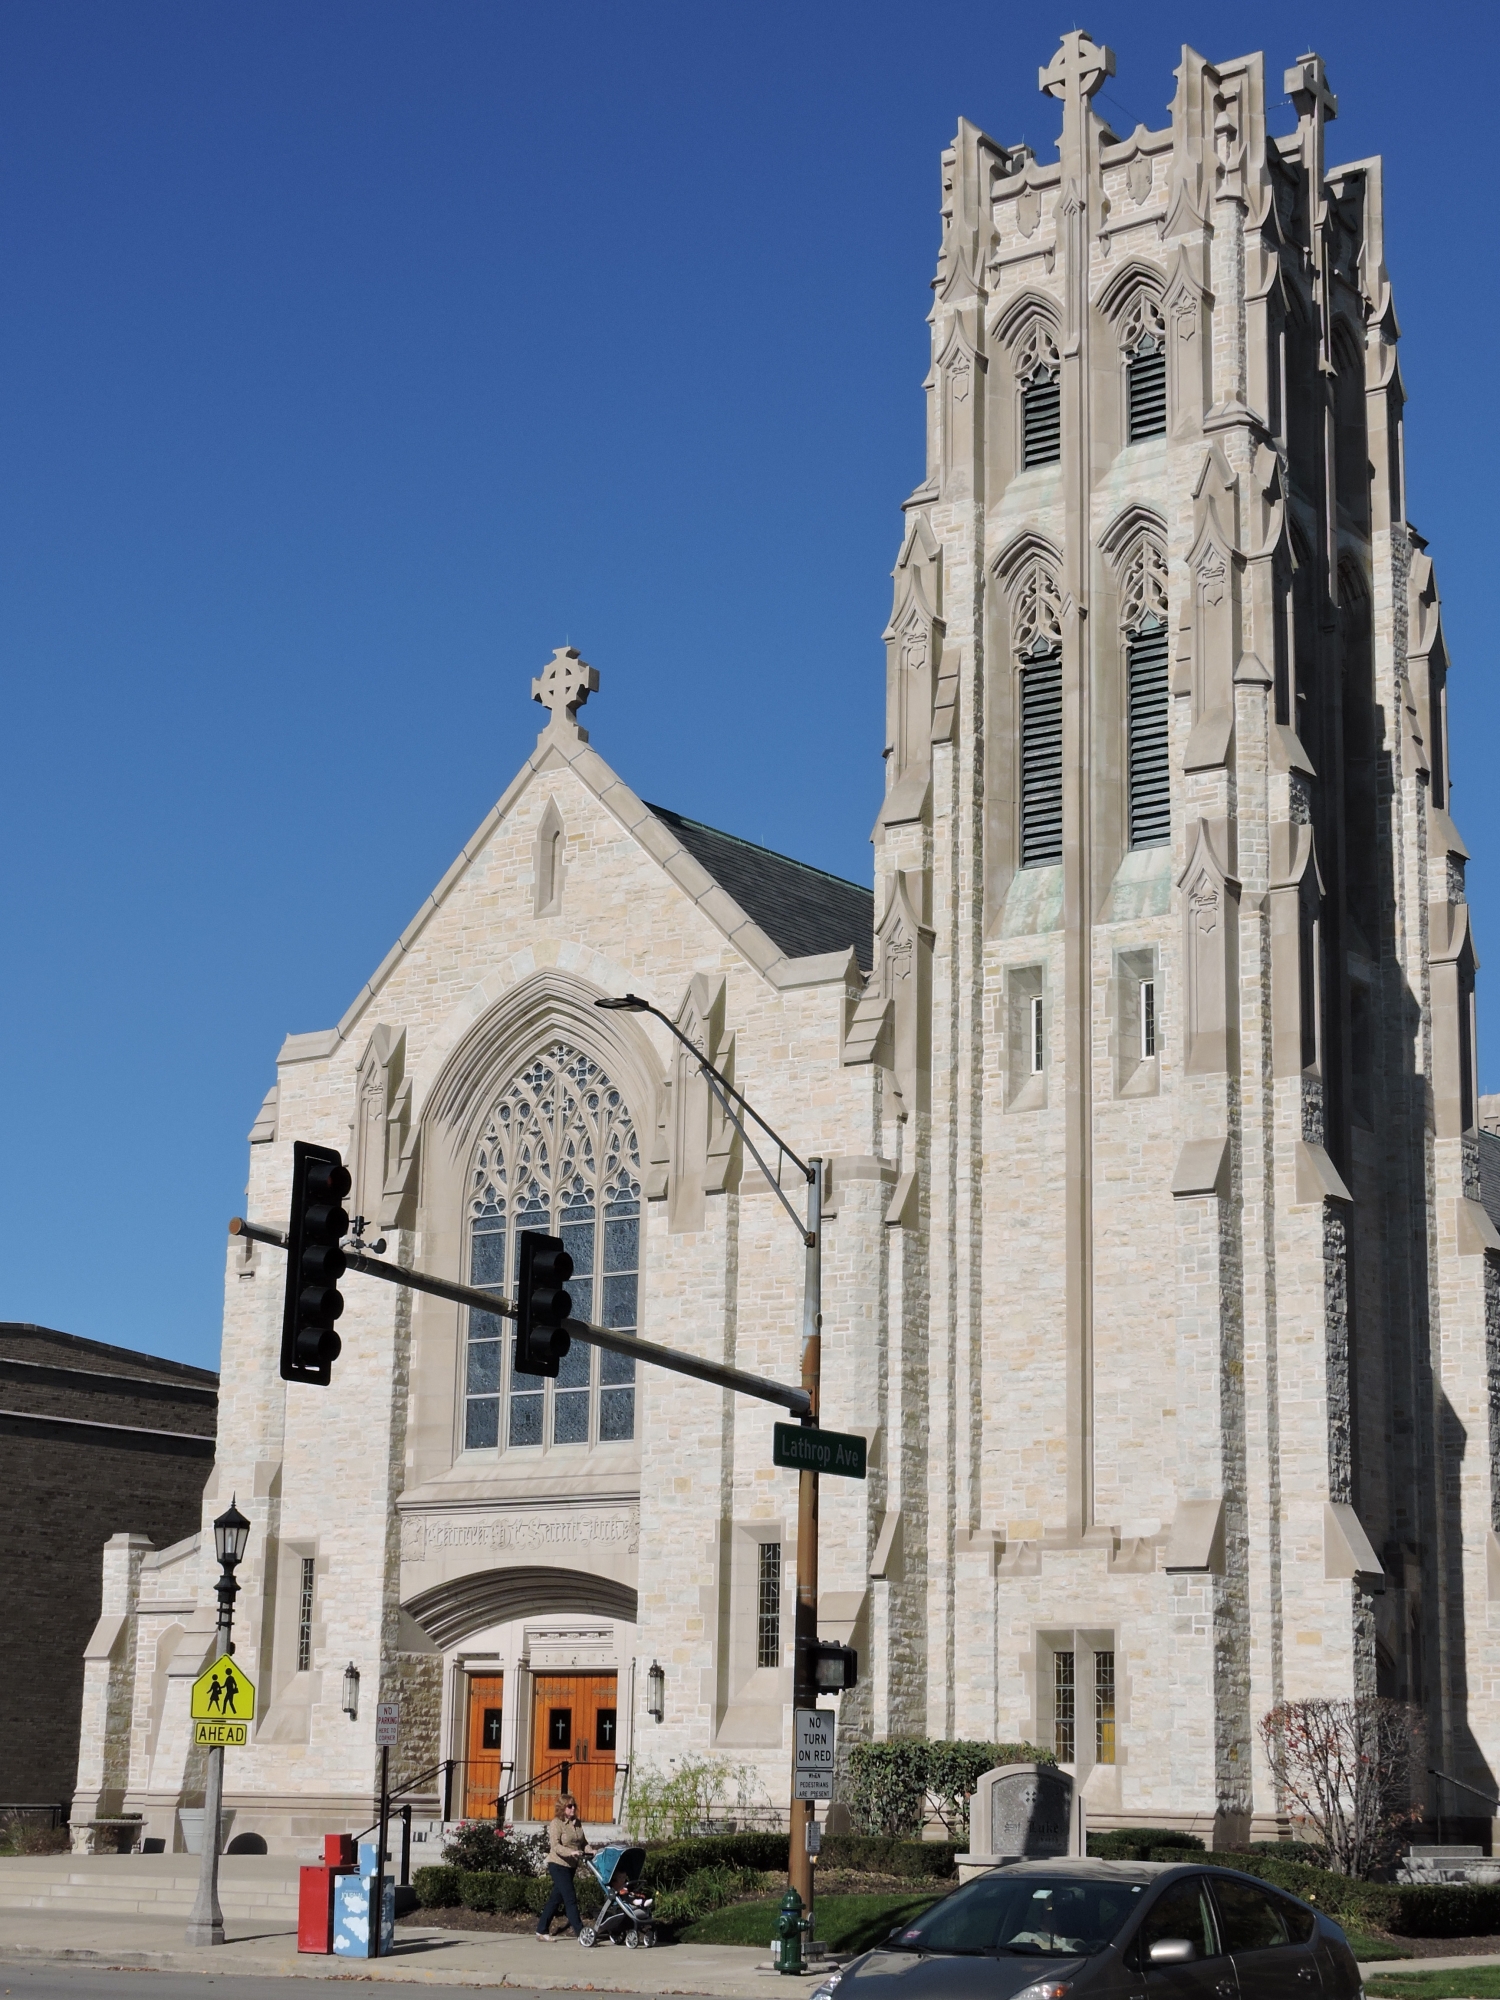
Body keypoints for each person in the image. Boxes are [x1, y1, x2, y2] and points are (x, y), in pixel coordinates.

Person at [535, 1794, 590, 1940]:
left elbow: (583, 1842)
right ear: (562, 1808)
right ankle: (581, 1934)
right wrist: (570, 1852)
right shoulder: (556, 1823)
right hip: (558, 1865)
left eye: (574, 1806)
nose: (573, 1809)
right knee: (570, 1899)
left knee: (555, 1899)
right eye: (569, 1806)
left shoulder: (577, 1823)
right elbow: (555, 1845)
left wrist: (591, 1851)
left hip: (571, 1865)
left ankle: (541, 1930)